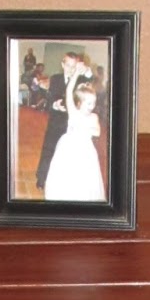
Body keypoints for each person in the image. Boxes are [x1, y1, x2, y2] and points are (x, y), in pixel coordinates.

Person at [43, 61, 106, 201]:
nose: (92, 106)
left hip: (86, 150)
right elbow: (68, 91)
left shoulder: (94, 116)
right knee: (67, 173)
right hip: (69, 147)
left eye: (94, 103)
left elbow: (97, 132)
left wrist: (85, 127)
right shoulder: (73, 112)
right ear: (79, 103)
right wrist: (76, 73)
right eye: (88, 103)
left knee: (84, 176)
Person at [35, 51, 80, 190]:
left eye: (74, 66)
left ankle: (63, 180)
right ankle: (42, 178)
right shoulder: (55, 79)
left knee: (68, 152)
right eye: (68, 65)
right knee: (49, 149)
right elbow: (48, 101)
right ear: (62, 64)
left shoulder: (80, 80)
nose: (70, 69)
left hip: (72, 124)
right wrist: (55, 104)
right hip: (55, 122)